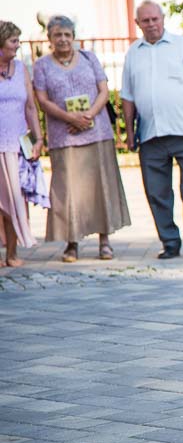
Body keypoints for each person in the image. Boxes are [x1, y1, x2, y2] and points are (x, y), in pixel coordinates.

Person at [33, 15, 130, 262]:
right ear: (49, 38)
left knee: (101, 186)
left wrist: (88, 116)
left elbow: (103, 91)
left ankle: (105, 241)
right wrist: (69, 118)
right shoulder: (42, 65)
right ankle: (72, 243)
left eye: (67, 34)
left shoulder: (89, 58)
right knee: (68, 191)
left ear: (74, 37)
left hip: (96, 132)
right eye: (58, 35)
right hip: (64, 135)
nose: (63, 39)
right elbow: (42, 100)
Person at [121, 1, 183, 259]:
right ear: (137, 24)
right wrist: (130, 132)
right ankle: (169, 242)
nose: (151, 24)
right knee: (157, 192)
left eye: (155, 19)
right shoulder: (133, 53)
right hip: (150, 134)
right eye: (145, 21)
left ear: (163, 18)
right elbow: (127, 96)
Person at [0, 20, 43, 267]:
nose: (18, 45)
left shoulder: (21, 69)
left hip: (16, 145)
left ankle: (12, 253)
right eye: (13, 41)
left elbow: (30, 107)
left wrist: (38, 138)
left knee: (15, 199)